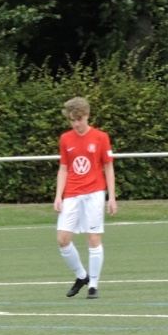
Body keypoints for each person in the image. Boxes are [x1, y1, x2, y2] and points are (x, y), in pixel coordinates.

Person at [54, 96, 117, 299]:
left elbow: (108, 167)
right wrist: (58, 196)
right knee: (62, 239)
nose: (76, 124)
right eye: (72, 120)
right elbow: (64, 168)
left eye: (79, 119)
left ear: (87, 115)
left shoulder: (101, 137)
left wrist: (111, 197)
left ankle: (93, 286)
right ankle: (82, 276)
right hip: (72, 193)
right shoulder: (65, 139)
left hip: (94, 193)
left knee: (93, 237)